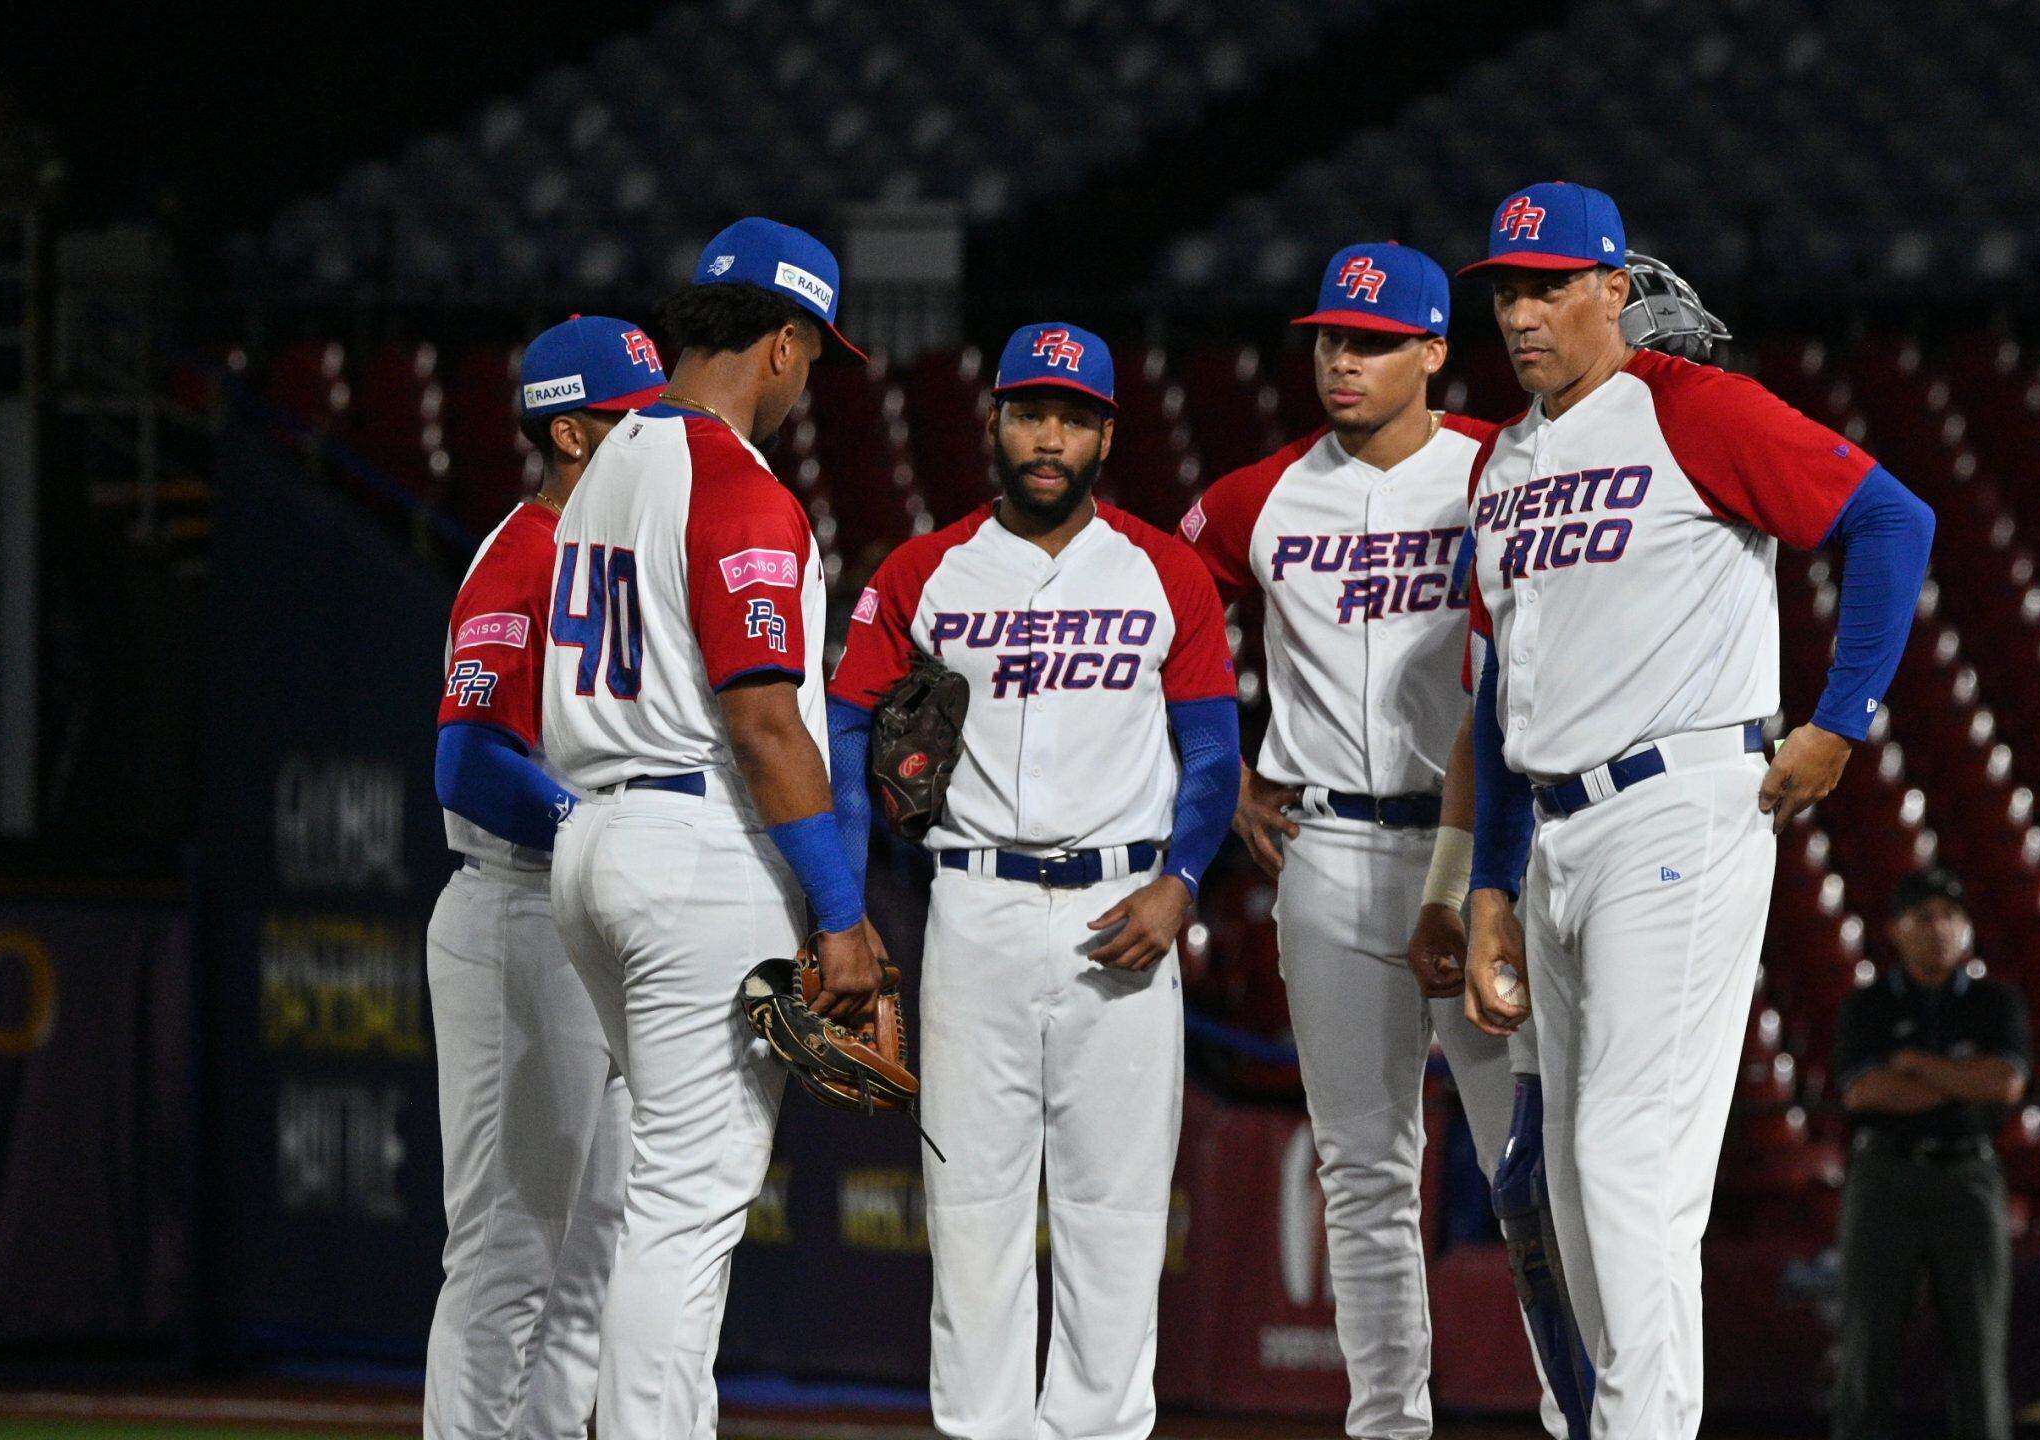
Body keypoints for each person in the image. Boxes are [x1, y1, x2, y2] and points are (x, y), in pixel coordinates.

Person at [1456, 181, 1937, 1438]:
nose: (1521, 314)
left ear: (1613, 289)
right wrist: (1491, 882)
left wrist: (1842, 718)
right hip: (1554, 828)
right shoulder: (1503, 459)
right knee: (1571, 1176)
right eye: (1506, 291)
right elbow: (1505, 688)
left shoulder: (1690, 406)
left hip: (1675, 804)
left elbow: (1891, 519)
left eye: (1550, 287)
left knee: (1628, 1160)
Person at [1178, 241, 1564, 1440]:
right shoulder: (1254, 497)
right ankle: (1386, 1425)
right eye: (1329, 341)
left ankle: (1581, 1412)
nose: (1341, 362)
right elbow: (1157, 615)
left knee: (1523, 1158)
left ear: (1433, 351)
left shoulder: (1499, 467)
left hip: (1483, 854)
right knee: (1360, 1168)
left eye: (1373, 342)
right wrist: (1223, 775)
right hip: (1329, 845)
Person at [828, 321, 1240, 1440]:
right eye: (1030, 413)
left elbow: (1212, 750)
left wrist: (1183, 880)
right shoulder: (923, 570)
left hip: (1124, 910)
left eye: (1072, 417)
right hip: (976, 906)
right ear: (996, 422)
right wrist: (843, 900)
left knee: (1116, 1216)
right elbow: (844, 726)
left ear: (1107, 434)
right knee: (972, 1212)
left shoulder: (1164, 570)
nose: (1049, 437)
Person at [541, 217, 887, 1438]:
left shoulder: (603, 468)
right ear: (783, 343)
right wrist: (839, 909)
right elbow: (764, 723)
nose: (808, 380)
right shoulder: (737, 486)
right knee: (687, 1207)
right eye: (814, 355)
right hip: (692, 846)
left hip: (591, 837)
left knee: (658, 1191)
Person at [426, 315, 664, 1439]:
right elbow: (468, 762)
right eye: (633, 420)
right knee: (508, 1253)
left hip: (596, 921)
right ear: (571, 433)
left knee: (589, 1263)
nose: (655, 438)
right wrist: (594, 826)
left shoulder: (619, 555)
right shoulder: (525, 554)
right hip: (519, 905)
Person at [1831, 865, 2028, 1440]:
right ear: (1895, 929)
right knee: (1868, 1349)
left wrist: (1916, 1066)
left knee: (1979, 1350)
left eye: (1950, 916)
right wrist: (1962, 1081)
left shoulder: (1996, 1002)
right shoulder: (1866, 1005)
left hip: (1969, 1177)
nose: (1938, 929)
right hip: (1885, 1178)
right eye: (1923, 917)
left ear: (1966, 928)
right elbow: (1864, 1093)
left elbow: (2005, 1084)